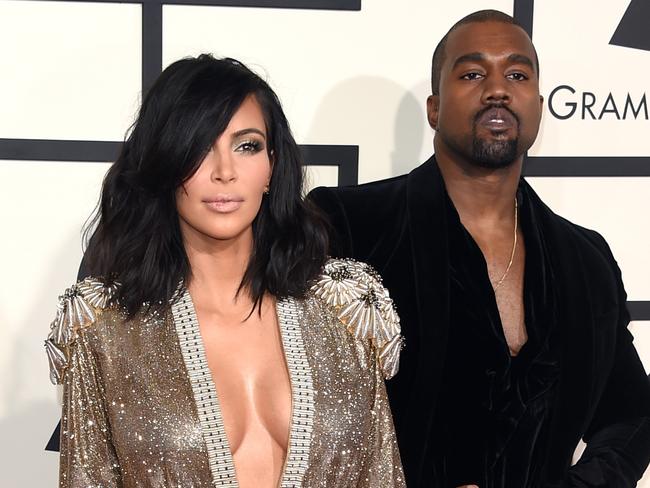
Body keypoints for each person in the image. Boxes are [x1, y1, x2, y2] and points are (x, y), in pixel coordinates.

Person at [309, 9, 650, 488]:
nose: (497, 89)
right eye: (472, 73)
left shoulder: (585, 260)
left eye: (516, 74)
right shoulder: (348, 225)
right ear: (433, 107)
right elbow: (295, 406)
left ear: (538, 103)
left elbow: (632, 413)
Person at [44, 55, 405, 487]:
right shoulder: (104, 330)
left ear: (272, 164)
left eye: (246, 145)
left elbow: (382, 475)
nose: (225, 172)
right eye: (199, 149)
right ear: (166, 165)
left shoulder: (346, 312)